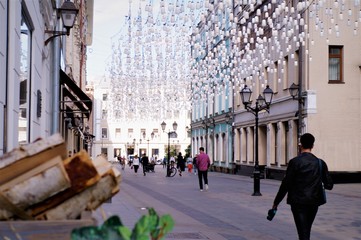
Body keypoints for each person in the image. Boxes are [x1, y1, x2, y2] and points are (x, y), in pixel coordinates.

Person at [270, 133, 333, 240]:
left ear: (300, 145)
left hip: (298, 202)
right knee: (306, 229)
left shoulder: (294, 162)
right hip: (314, 201)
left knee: (303, 231)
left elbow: (286, 184)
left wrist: (276, 203)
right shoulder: (320, 163)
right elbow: (329, 185)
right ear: (312, 146)